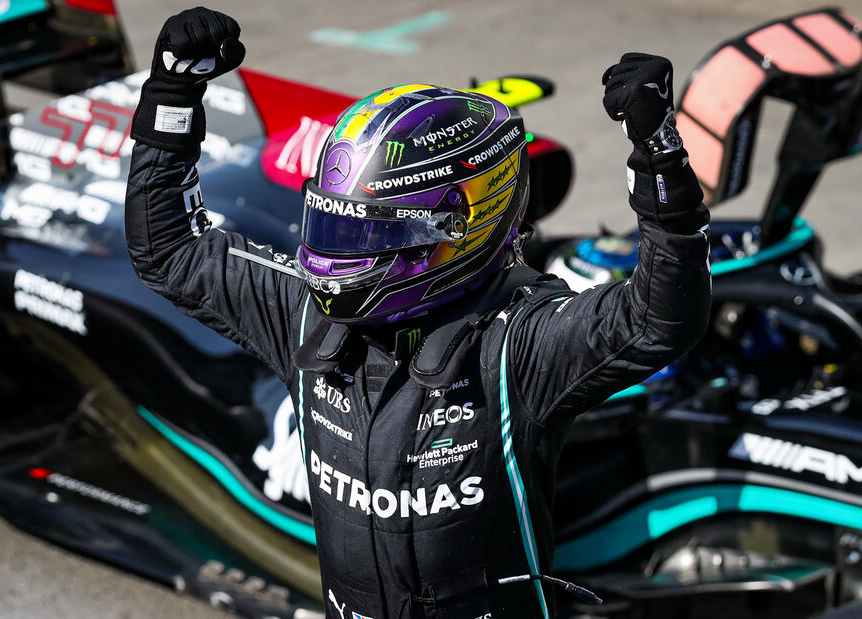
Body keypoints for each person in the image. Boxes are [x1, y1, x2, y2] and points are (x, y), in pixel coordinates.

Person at [125, 7, 711, 618]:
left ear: (457, 229)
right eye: (331, 223)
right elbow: (168, 251)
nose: (339, 256)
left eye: (366, 235)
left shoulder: (517, 345)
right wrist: (173, 91)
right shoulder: (305, 312)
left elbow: (660, 318)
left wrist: (660, 157)